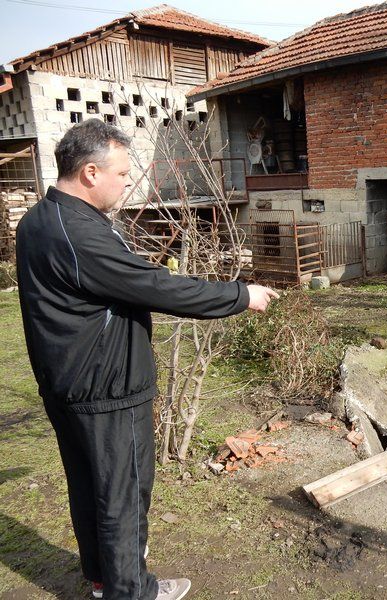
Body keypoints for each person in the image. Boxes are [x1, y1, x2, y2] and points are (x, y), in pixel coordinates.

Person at [15, 119, 279, 600]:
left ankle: (104, 581)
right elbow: (154, 284)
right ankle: (132, 592)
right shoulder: (78, 233)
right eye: (121, 173)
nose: (126, 182)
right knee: (123, 497)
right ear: (91, 172)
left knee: (91, 489)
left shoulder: (40, 220)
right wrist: (239, 295)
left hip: (68, 382)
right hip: (107, 389)